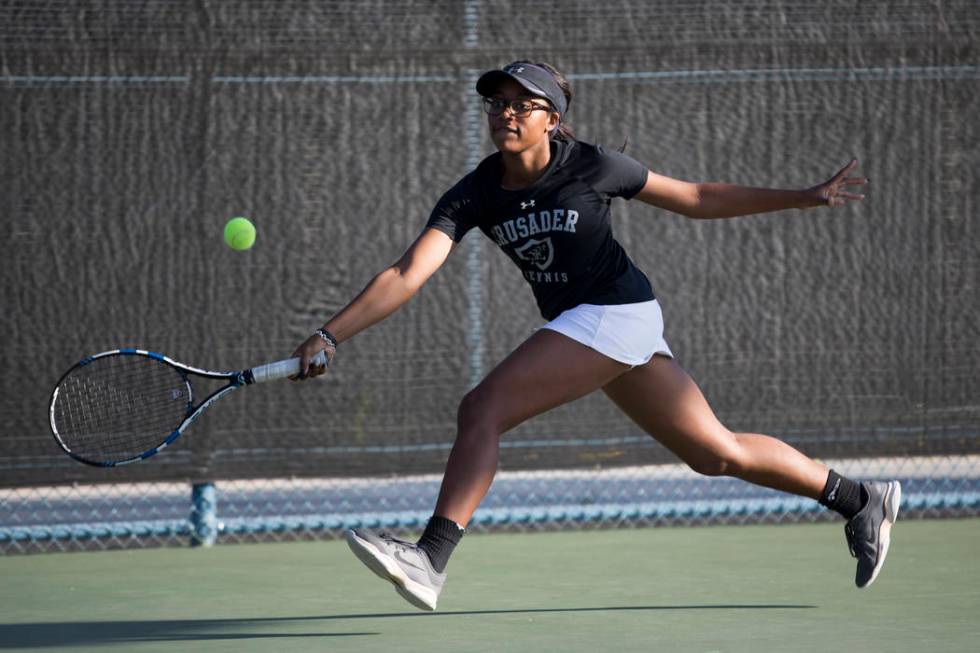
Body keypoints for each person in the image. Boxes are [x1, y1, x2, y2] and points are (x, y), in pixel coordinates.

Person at [290, 60, 900, 611]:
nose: (505, 113)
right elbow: (406, 274)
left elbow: (693, 196)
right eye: (497, 103)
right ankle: (858, 499)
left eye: (520, 104)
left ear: (551, 119)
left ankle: (429, 558)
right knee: (715, 453)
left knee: (483, 409)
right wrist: (331, 333)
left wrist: (800, 198)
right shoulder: (474, 192)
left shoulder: (592, 165)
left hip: (616, 311)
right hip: (591, 325)